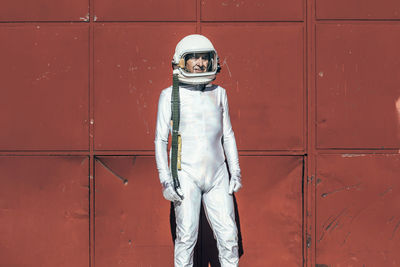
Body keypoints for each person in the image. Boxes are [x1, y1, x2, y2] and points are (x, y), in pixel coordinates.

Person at [154, 34, 242, 267]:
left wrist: (235, 172)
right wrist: (166, 180)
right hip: (186, 174)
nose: (200, 63)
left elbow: (228, 135)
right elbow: (161, 140)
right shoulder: (169, 96)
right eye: (194, 58)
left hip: (218, 173)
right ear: (181, 62)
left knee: (229, 237)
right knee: (186, 237)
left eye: (205, 58)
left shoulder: (219, 93)